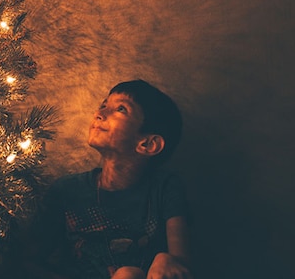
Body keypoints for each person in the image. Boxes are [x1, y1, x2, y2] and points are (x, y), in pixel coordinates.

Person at [27, 80, 192, 279]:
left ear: (148, 144)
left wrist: (165, 259)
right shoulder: (67, 190)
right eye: (103, 106)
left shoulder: (165, 188)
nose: (99, 113)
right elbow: (29, 262)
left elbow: (182, 266)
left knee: (129, 274)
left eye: (120, 109)